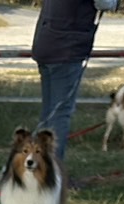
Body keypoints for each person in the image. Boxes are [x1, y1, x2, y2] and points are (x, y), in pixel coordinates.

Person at [31, 0, 104, 166]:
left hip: (46, 41)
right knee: (60, 113)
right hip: (67, 47)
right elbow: (104, 2)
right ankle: (53, 172)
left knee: (49, 111)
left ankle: (40, 167)